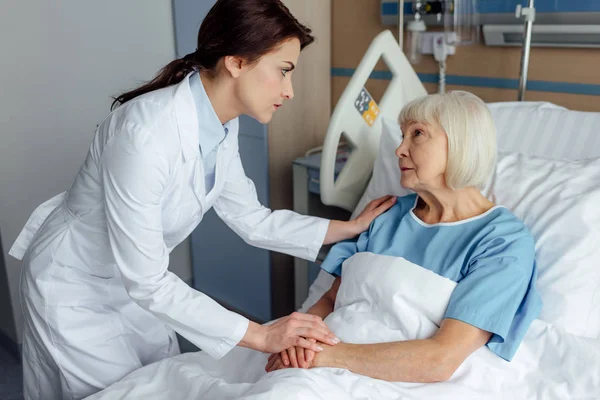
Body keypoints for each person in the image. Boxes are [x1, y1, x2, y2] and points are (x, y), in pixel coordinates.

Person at [8, 0, 396, 398]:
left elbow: (251, 219)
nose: (289, 91)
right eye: (283, 72)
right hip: (77, 286)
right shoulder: (144, 134)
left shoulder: (219, 128)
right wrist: (261, 335)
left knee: (158, 382)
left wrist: (347, 228)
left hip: (132, 284)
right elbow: (147, 281)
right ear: (236, 62)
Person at [265, 91, 543, 382]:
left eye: (418, 134)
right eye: (402, 136)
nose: (399, 149)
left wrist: (321, 358)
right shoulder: (387, 213)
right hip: (313, 360)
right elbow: (330, 299)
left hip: (393, 380)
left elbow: (440, 359)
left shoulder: (502, 241)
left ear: (460, 144)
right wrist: (299, 341)